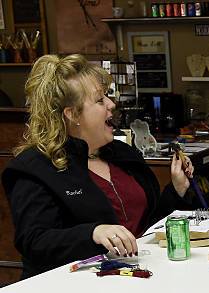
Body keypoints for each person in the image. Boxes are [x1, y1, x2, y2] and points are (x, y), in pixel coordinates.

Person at [2, 54, 195, 279]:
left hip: (135, 279)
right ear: (72, 114)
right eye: (100, 100)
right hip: (71, 291)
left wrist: (177, 190)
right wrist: (93, 232)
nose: (112, 104)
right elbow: (35, 241)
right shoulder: (35, 167)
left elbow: (146, 229)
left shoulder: (123, 154)